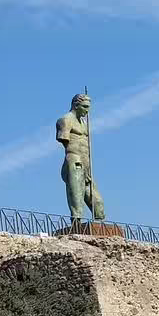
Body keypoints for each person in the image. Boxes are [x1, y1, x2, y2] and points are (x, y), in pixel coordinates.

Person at [56, 93, 106, 222]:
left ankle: (100, 223)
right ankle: (76, 221)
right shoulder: (65, 120)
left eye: (88, 107)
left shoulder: (84, 123)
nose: (87, 111)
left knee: (97, 201)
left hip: (86, 163)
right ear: (76, 105)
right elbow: (64, 140)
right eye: (85, 107)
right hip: (74, 160)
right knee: (76, 194)